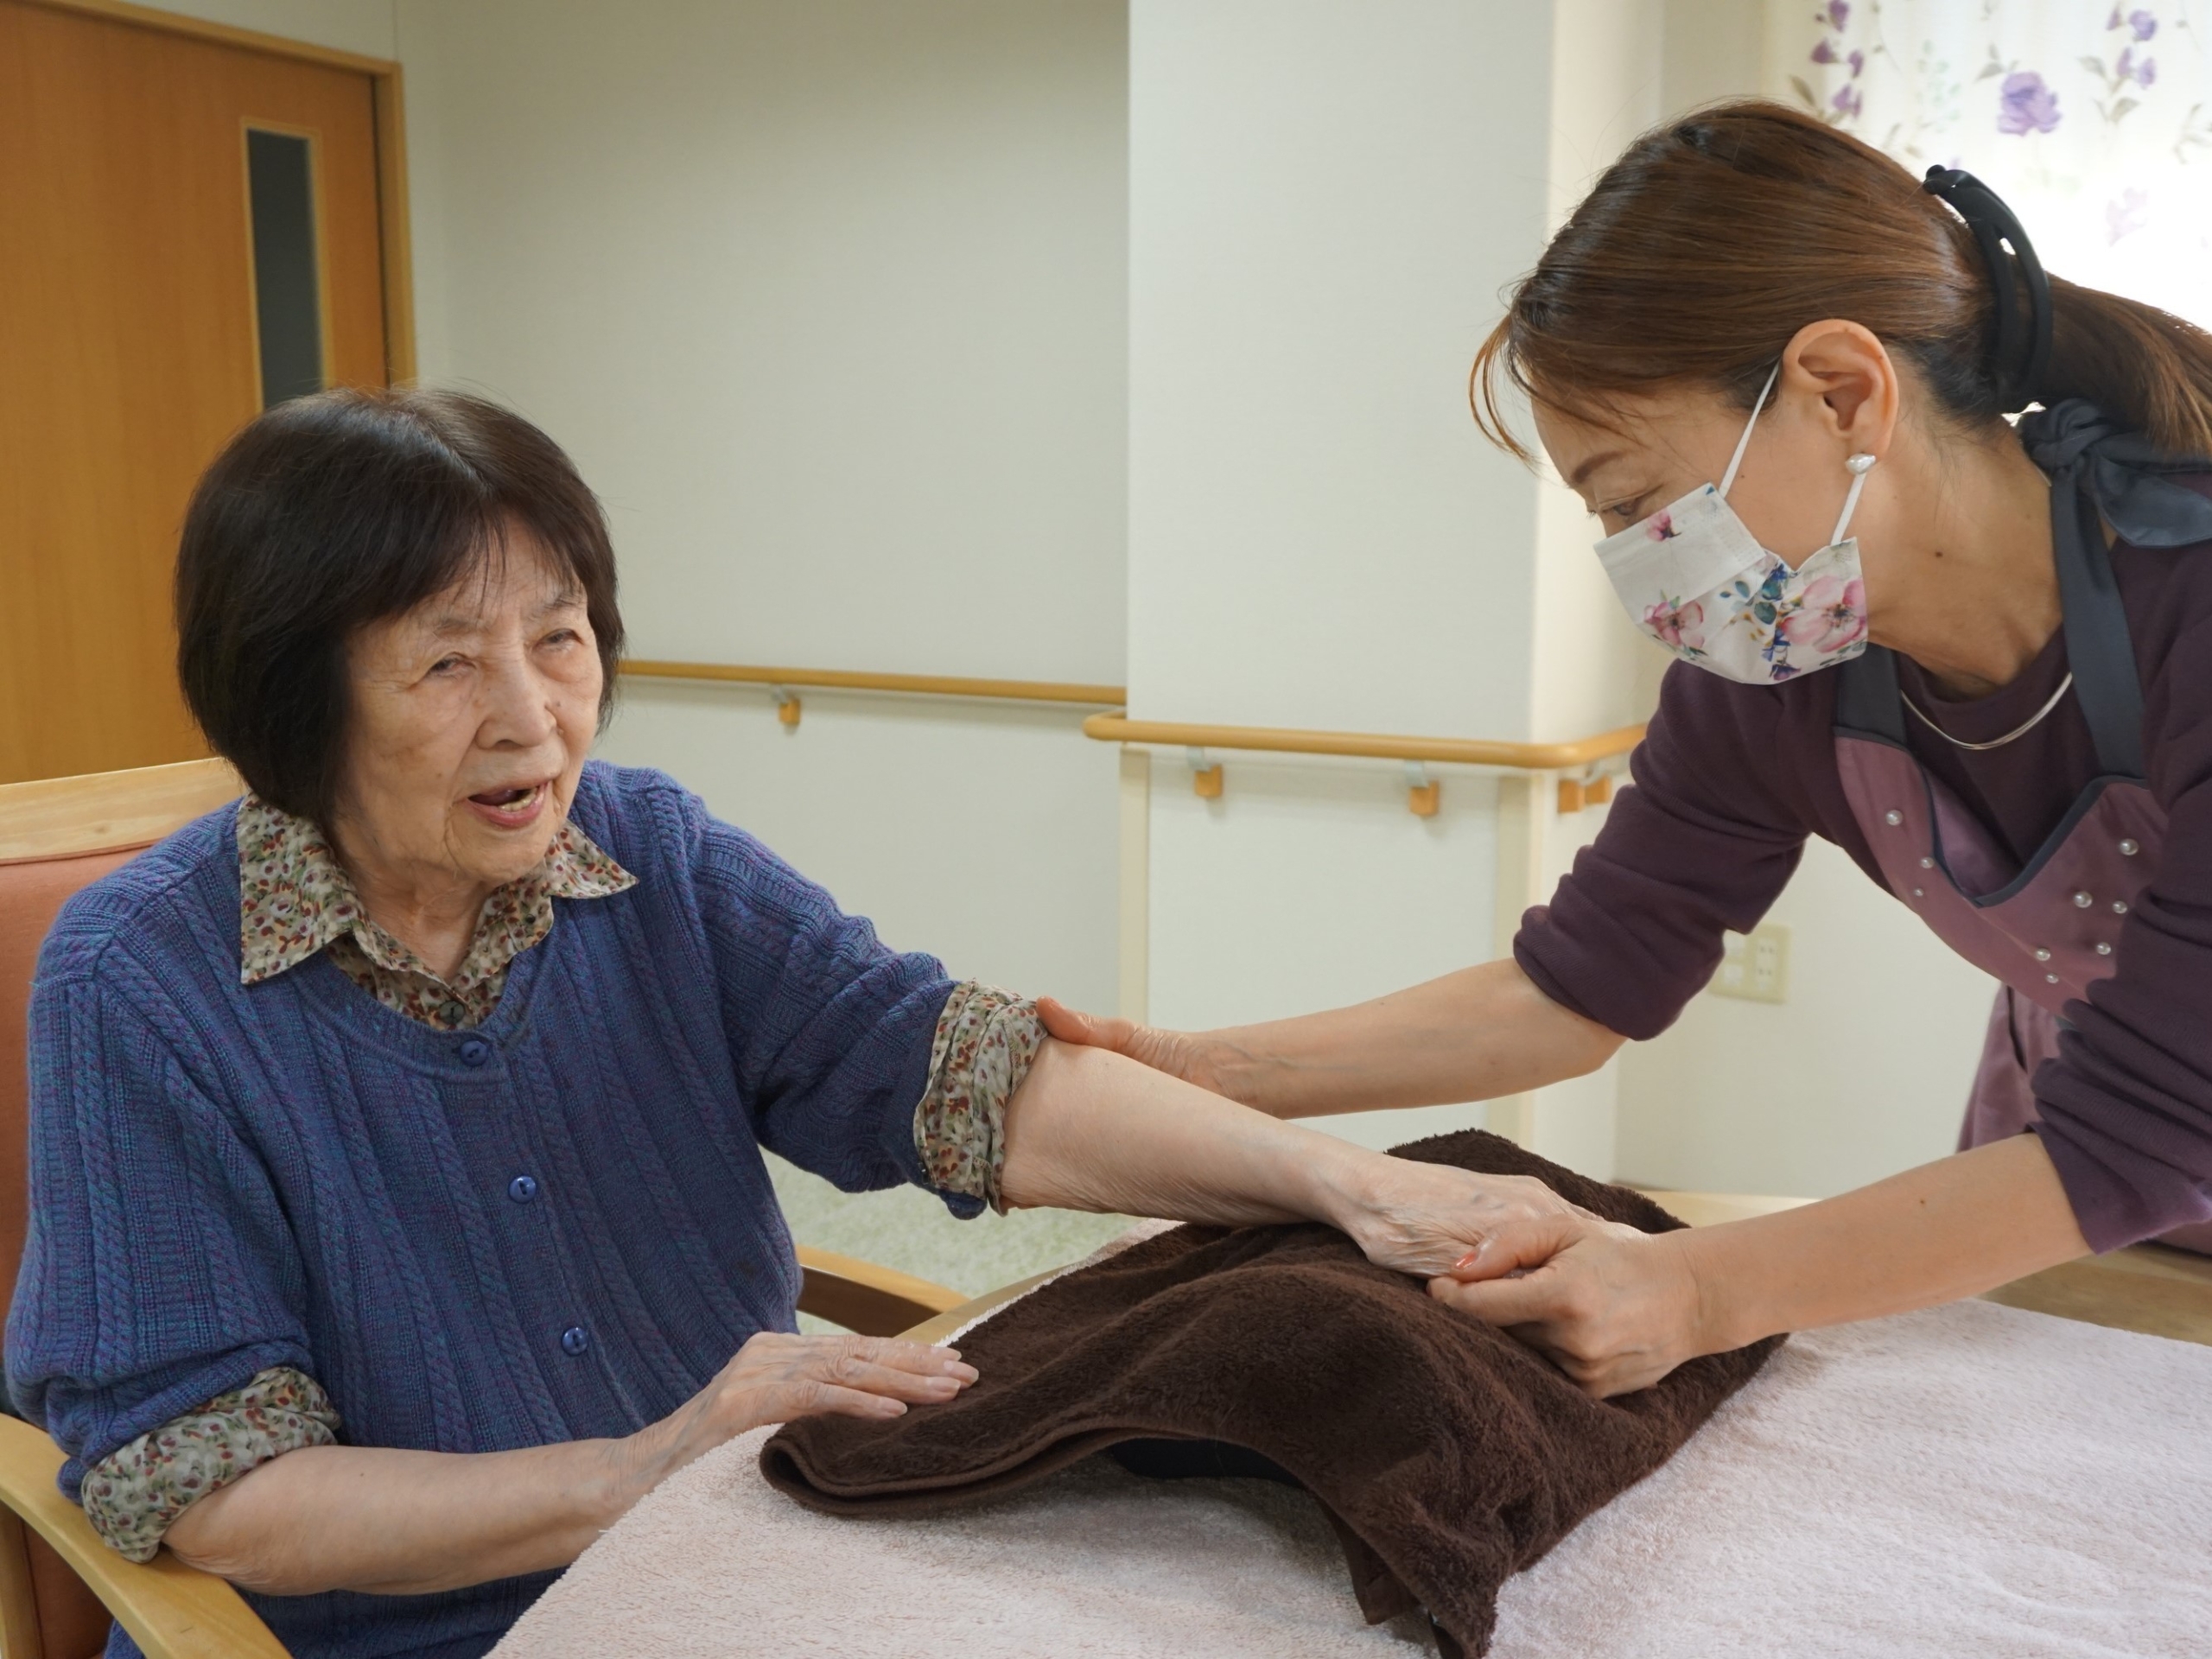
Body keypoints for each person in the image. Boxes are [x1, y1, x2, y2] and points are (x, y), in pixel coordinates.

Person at [6, 388, 1568, 1659]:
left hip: (732, 1559)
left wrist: (1350, 1186)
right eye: (443, 661)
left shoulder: (654, 853)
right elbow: (223, 1495)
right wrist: (637, 1474)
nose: (534, 714)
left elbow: (969, 1077)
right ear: (295, 698)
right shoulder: (139, 986)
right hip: (400, 1632)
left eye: (560, 636)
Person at [1043, 100, 2212, 1401]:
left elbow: (2158, 1117)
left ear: (1843, 392)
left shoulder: (2194, 600)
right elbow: (1579, 986)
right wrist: (1203, 1077)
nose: (1648, 568)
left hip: (2117, 1146)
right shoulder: (1787, 670)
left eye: (1643, 501)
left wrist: (1696, 1287)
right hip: (2067, 1190)